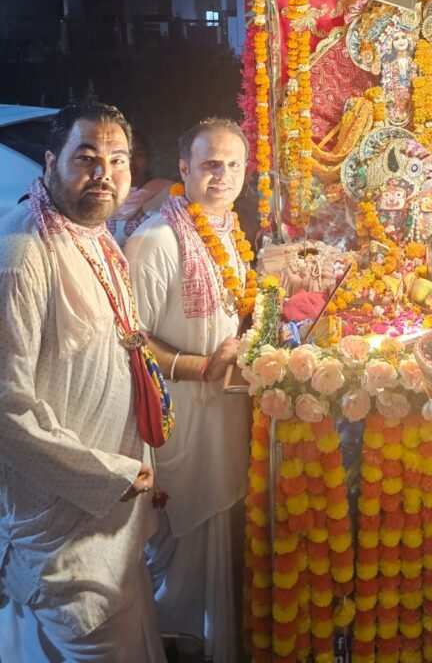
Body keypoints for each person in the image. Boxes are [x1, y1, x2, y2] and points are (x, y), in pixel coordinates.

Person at [0, 101, 166, 663]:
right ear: (51, 162)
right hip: (67, 523)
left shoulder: (92, 236)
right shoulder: (23, 253)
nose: (104, 173)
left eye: (118, 160)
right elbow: (6, 410)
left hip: (113, 515)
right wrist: (109, 474)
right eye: (86, 157)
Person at [125, 117, 255, 663]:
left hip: (222, 420)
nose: (222, 175)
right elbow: (129, 341)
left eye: (233, 165)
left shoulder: (227, 231)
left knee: (219, 540)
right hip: (177, 422)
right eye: (210, 164)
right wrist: (201, 366)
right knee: (177, 552)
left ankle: (212, 645)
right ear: (184, 168)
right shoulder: (154, 241)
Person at [109, 130, 173, 246]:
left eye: (138, 155)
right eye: (125, 156)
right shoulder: (102, 194)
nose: (131, 162)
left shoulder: (165, 192)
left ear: (148, 158)